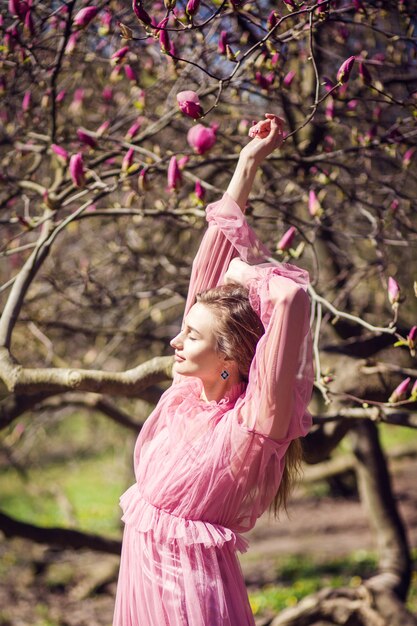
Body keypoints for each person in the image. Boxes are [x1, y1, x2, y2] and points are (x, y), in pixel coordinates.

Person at [112, 114, 314, 626]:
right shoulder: (187, 392)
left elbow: (290, 297)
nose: (176, 340)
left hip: (190, 602)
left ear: (231, 359)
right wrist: (248, 160)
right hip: (141, 583)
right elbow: (211, 257)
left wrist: (247, 274)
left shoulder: (251, 425)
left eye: (193, 335)